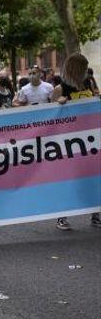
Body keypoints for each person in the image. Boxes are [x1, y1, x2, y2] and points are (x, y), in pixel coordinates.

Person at [50, 53, 101, 230]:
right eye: (84, 68)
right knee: (69, 181)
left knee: (93, 178)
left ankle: (96, 215)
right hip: (69, 142)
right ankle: (61, 217)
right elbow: (49, 115)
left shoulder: (89, 83)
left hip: (90, 141)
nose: (87, 72)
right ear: (76, 69)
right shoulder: (60, 88)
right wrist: (59, 104)